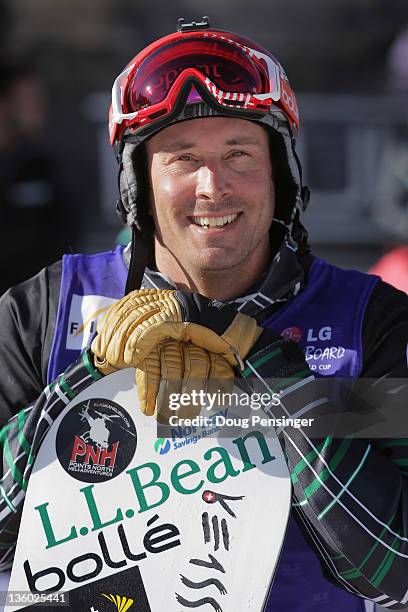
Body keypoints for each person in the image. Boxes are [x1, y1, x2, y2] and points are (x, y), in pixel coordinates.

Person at [0, 17, 408, 612]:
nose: (213, 185)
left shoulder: (369, 322)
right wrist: (84, 387)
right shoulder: (44, 311)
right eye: (182, 158)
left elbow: (395, 566)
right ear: (139, 183)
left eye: (240, 153)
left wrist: (276, 381)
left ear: (281, 173)